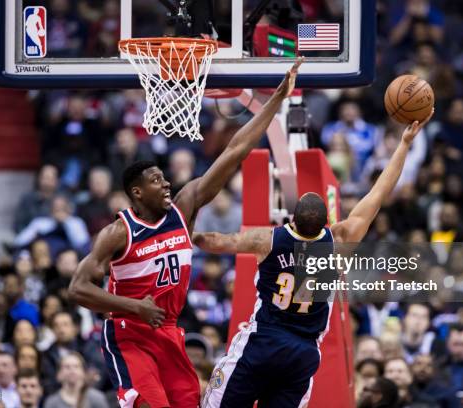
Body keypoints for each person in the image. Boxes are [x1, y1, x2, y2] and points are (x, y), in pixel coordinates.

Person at [68, 58, 308, 408]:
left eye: (164, 177)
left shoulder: (185, 209)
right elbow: (77, 288)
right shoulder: (118, 232)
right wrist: (134, 307)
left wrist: (276, 99)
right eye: (155, 180)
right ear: (137, 192)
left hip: (168, 329)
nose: (165, 183)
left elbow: (235, 150)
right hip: (129, 333)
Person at [195, 111, 433, 407]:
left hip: (263, 342)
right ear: (326, 223)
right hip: (302, 353)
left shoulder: (268, 239)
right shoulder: (340, 241)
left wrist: (181, 229)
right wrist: (404, 145)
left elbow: (214, 241)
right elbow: (379, 193)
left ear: (291, 219)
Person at [43, 352, 109, 408]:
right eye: (67, 367)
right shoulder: (52, 402)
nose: (72, 370)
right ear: (59, 374)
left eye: (76, 366)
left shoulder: (97, 398)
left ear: (83, 372)